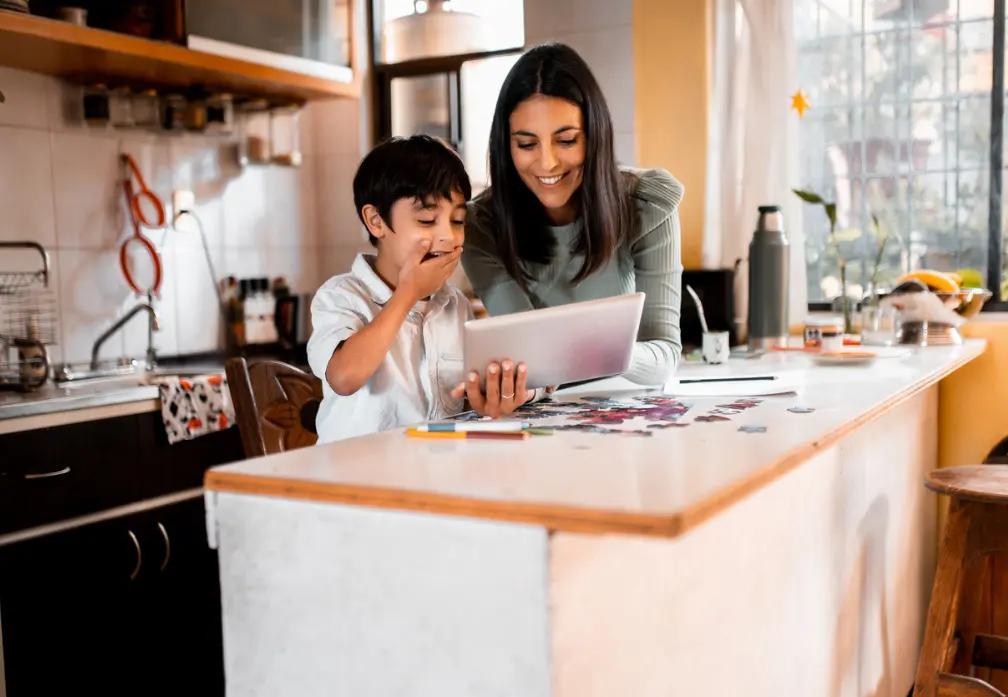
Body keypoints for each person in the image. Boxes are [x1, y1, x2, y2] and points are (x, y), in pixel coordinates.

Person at [456, 42, 685, 417]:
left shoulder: (648, 205)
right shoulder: (482, 228)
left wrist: (570, 350)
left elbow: (664, 354)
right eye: (526, 144)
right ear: (505, 145)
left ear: (595, 136)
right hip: (548, 412)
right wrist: (591, 350)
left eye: (566, 140)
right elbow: (530, 357)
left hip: (630, 411)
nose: (547, 162)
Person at [307, 134, 472, 444]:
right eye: (426, 220)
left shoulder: (456, 306)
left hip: (434, 474)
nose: (448, 236)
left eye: (458, 220)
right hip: (356, 479)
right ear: (376, 221)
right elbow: (344, 377)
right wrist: (407, 294)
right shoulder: (340, 297)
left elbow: (464, 402)